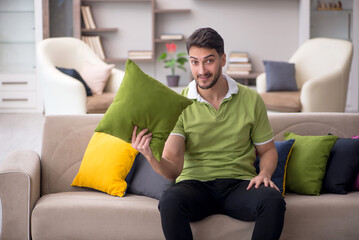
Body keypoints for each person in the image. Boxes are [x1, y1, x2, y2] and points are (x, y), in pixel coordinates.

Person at [131, 27, 286, 240]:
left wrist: (265, 174)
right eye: (195, 62)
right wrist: (149, 155)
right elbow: (172, 170)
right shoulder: (179, 105)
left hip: (240, 184)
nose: (201, 70)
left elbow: (267, 150)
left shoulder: (251, 99)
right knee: (170, 201)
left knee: (273, 201)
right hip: (194, 186)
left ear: (223, 59)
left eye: (209, 60)